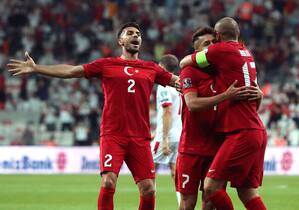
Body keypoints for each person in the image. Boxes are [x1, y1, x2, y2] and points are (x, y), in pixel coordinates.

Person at [7, 22, 179, 210]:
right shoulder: (106, 64)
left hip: (140, 136)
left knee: (149, 190)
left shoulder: (151, 68)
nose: (135, 36)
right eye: (130, 33)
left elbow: (179, 82)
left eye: (138, 34)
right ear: (120, 40)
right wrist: (37, 68)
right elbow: (72, 71)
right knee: (108, 183)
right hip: (113, 134)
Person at [180, 17, 267, 210]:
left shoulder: (222, 57)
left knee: (211, 189)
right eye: (206, 45)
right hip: (247, 131)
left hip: (239, 133)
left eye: (213, 42)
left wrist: (255, 94)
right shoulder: (241, 56)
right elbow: (191, 102)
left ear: (219, 37)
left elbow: (184, 61)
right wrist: (230, 95)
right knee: (246, 192)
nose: (211, 47)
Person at [151, 54, 182, 205]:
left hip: (167, 136)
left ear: (162, 68)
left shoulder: (164, 86)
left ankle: (149, 205)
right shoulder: (179, 85)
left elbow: (167, 110)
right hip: (179, 134)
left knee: (148, 172)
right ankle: (182, 205)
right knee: (175, 174)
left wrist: (163, 139)